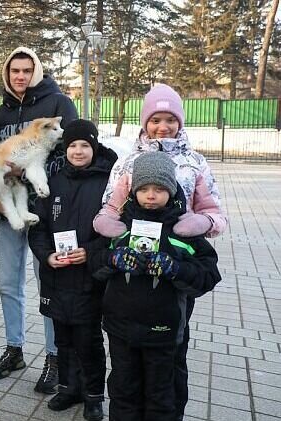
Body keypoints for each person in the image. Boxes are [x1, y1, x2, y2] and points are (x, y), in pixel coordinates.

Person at [93, 83, 227, 420]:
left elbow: (212, 213)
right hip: (124, 310)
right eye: (155, 119)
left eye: (170, 119)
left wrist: (191, 230)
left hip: (170, 288)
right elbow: (111, 209)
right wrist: (113, 247)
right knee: (124, 384)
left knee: (165, 380)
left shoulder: (195, 162)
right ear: (144, 122)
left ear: (180, 122)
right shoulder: (127, 163)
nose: (162, 126)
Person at [0, 47, 78, 392]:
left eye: (26, 70)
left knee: (48, 285)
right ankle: (14, 349)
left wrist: (33, 174)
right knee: (9, 284)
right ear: (7, 75)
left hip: (48, 213)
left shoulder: (58, 105)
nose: (19, 76)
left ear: (36, 71)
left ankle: (55, 357)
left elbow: (73, 156)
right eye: (14, 71)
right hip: (10, 213)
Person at [28, 120, 115, 421]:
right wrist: (46, 256)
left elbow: (115, 230)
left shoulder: (108, 182)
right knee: (62, 338)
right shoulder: (54, 180)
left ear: (94, 147)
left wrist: (89, 253)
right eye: (73, 145)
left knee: (88, 339)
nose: (78, 151)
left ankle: (93, 396)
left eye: (85, 145)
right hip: (57, 274)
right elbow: (37, 226)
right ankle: (67, 388)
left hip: (89, 277)